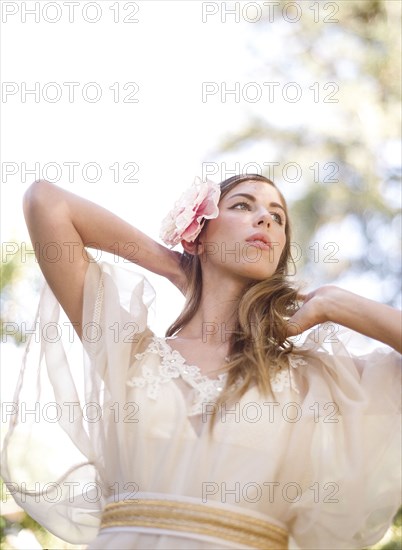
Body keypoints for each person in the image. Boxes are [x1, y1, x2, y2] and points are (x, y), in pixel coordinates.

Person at [1, 174, 401, 550]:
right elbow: (46, 202)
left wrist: (337, 304)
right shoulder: (131, 352)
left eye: (277, 217)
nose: (265, 218)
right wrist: (178, 266)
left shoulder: (315, 376)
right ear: (198, 233)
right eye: (243, 205)